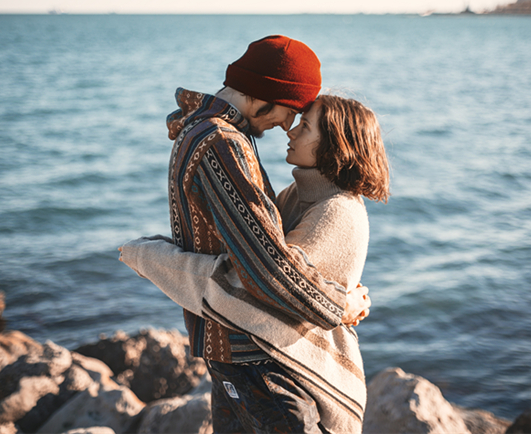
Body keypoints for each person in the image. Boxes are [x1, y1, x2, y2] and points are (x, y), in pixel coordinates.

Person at [121, 35, 374, 433]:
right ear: (262, 97)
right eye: (290, 112)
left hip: (232, 349)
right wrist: (341, 304)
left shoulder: (202, 133)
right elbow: (269, 270)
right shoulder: (222, 144)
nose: (286, 126)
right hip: (254, 358)